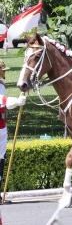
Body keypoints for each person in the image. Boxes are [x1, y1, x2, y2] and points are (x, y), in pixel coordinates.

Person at [0, 60, 27, 190]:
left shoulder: (1, 85)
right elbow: (1, 101)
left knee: (1, 158)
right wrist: (17, 102)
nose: (4, 72)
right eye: (3, 70)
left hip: (2, 126)